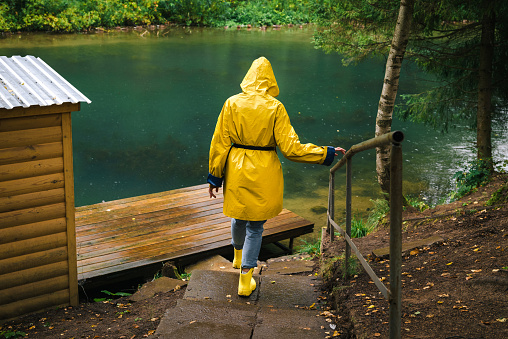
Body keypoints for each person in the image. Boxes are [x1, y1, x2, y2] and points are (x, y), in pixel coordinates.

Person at [207, 56, 346, 297]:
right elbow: (292, 149)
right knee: (256, 226)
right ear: (270, 81)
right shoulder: (275, 107)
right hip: (264, 170)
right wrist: (325, 152)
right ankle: (245, 279)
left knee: (239, 216)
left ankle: (237, 259)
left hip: (237, 167)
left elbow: (220, 142)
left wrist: (214, 176)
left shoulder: (231, 103)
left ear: (248, 78)